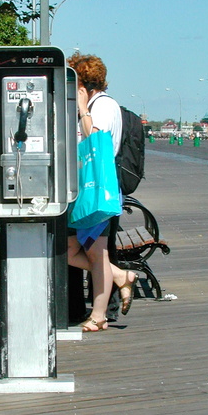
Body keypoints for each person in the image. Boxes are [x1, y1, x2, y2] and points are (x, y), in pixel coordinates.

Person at [66, 53, 137, 332]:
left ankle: (98, 315)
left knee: (97, 254)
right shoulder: (97, 104)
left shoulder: (104, 106)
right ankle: (120, 277)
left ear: (84, 83)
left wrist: (83, 109)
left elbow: (96, 139)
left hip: (97, 187)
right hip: (86, 186)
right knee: (71, 249)